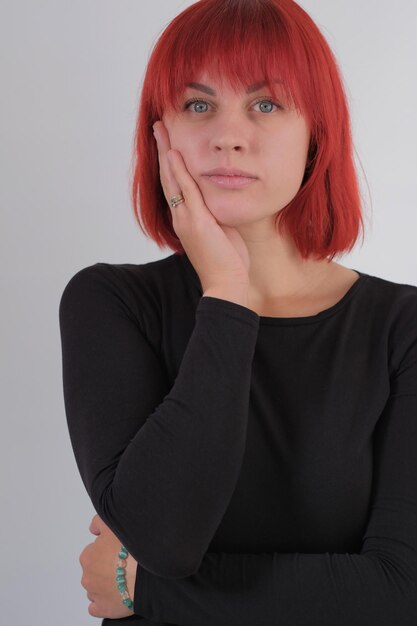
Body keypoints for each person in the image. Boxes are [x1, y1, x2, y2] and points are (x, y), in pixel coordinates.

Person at [58, 0, 417, 624]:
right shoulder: (110, 303)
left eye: (266, 104)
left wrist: (146, 590)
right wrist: (226, 292)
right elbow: (165, 537)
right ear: (159, 133)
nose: (228, 133)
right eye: (199, 105)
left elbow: (399, 592)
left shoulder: (402, 326)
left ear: (317, 135)